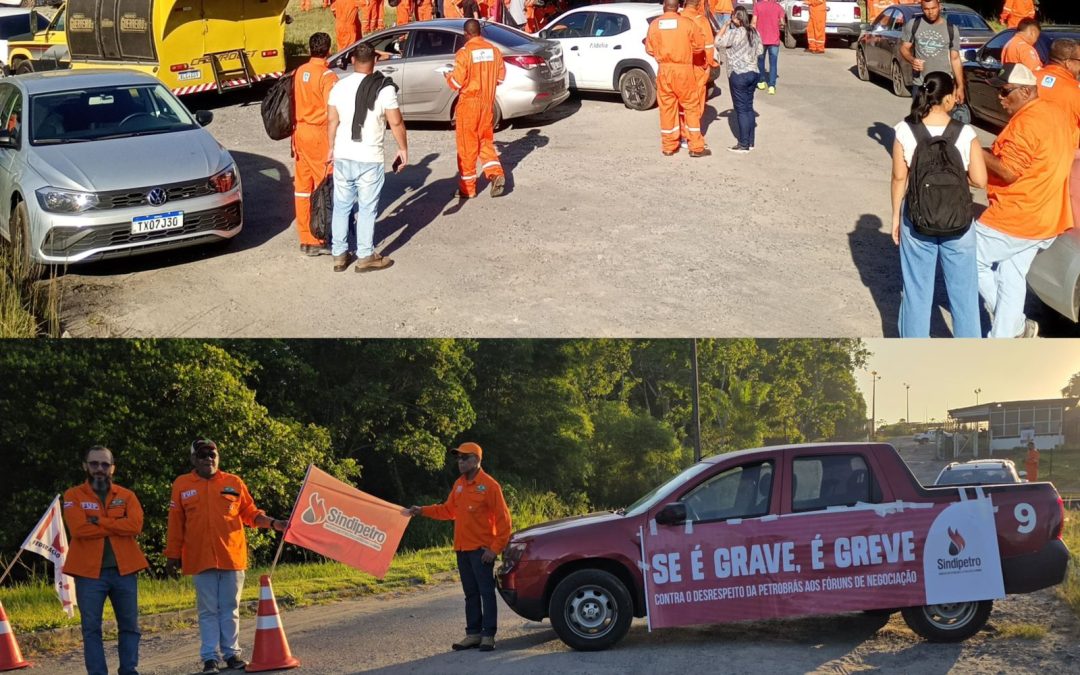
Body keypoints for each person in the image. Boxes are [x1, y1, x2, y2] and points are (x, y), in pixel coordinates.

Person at [165, 440, 288, 675]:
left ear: (218, 457)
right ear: (193, 459)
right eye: (202, 454)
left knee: (230, 607)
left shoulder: (233, 482)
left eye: (212, 454)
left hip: (231, 556)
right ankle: (210, 658)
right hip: (200, 558)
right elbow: (175, 523)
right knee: (208, 610)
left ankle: (232, 654)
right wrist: (172, 555)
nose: (208, 458)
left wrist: (274, 523)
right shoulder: (182, 484)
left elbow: (251, 514)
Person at [976, 63, 1074, 338]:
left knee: (967, 258)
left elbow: (1009, 171)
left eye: (1005, 91)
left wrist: (974, 149)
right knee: (1012, 275)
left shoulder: (1026, 123)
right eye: (999, 91)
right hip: (1048, 215)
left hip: (1018, 216)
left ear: (1027, 91)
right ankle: (1009, 333)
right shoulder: (1055, 112)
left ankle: (1015, 326)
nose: (1000, 97)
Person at [890, 72, 987, 337]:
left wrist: (896, 217)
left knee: (916, 292)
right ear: (947, 99)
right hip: (958, 222)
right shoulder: (965, 133)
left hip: (917, 219)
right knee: (964, 295)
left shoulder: (905, 130)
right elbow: (980, 180)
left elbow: (899, 178)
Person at [405, 443, 511, 652]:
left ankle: (488, 635)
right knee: (470, 593)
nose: (460, 462)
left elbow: (504, 522)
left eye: (464, 458)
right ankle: (473, 634)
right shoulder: (459, 485)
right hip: (462, 549)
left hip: (481, 551)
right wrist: (422, 510)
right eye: (458, 458)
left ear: (476, 459)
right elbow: (448, 510)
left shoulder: (490, 486)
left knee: (486, 593)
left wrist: (494, 550)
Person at [62, 446, 149, 675]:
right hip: (88, 573)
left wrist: (98, 520)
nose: (99, 468)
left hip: (125, 570)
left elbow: (135, 526)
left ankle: (129, 670)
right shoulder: (73, 495)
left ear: (112, 468)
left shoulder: (126, 495)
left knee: (130, 626)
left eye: (104, 464)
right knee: (91, 629)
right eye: (94, 463)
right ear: (85, 466)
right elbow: (79, 529)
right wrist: (117, 524)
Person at [326, 43, 408, 273]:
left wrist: (331, 147)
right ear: (375, 60)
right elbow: (395, 122)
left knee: (341, 206)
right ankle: (365, 255)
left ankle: (339, 254)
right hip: (370, 157)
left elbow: (332, 120)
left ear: (353, 60)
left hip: (343, 154)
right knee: (366, 208)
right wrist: (403, 149)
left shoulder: (339, 86)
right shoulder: (384, 89)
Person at [446, 19, 508, 198]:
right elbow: (500, 78)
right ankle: (495, 174)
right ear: (479, 32)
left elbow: (456, 82)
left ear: (466, 34)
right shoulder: (494, 51)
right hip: (487, 104)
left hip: (469, 105)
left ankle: (468, 188)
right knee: (485, 142)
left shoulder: (464, 53)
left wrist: (448, 76)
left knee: (467, 147)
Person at [292, 33, 338, 257]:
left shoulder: (300, 71)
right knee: (324, 187)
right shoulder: (328, 76)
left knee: (303, 188)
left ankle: (305, 237)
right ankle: (321, 237)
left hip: (300, 132)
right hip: (319, 134)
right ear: (328, 50)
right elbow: (333, 110)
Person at [646, 0, 708, 157]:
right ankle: (695, 147)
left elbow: (650, 49)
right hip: (683, 70)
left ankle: (669, 146)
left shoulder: (655, 25)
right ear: (678, 7)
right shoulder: (687, 24)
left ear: (664, 6)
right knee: (691, 107)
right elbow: (699, 46)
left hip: (664, 70)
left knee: (667, 108)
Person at [1036, 39, 1080, 222]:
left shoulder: (1031, 79)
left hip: (1030, 153)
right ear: (1068, 62)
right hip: (1062, 159)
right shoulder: (1074, 91)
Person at [716, 6, 762, 154]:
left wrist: (724, 26)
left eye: (733, 16)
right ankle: (750, 141)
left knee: (741, 110)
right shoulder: (754, 32)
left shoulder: (733, 33)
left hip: (738, 73)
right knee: (748, 107)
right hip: (753, 72)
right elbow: (760, 51)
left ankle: (743, 144)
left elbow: (717, 41)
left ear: (737, 18)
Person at [900, 0, 965, 102]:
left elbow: (955, 59)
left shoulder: (951, 29)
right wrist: (912, 60)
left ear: (939, 6)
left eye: (933, 8)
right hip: (921, 84)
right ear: (922, 9)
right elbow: (904, 48)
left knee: (942, 113)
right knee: (920, 112)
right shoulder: (913, 24)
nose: (930, 12)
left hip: (943, 84)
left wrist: (960, 86)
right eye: (926, 9)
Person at [682, 0, 715, 145]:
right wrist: (709, 64)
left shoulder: (678, 17)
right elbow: (708, 46)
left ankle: (682, 135)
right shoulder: (701, 20)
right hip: (697, 66)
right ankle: (692, 136)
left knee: (680, 102)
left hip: (680, 66)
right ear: (698, 5)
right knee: (696, 102)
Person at [752, 0, 785, 94]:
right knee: (773, 64)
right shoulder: (778, 7)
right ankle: (771, 86)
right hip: (774, 40)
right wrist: (779, 24)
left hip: (761, 40)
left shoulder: (758, 6)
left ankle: (761, 82)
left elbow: (754, 22)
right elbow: (782, 23)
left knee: (760, 61)